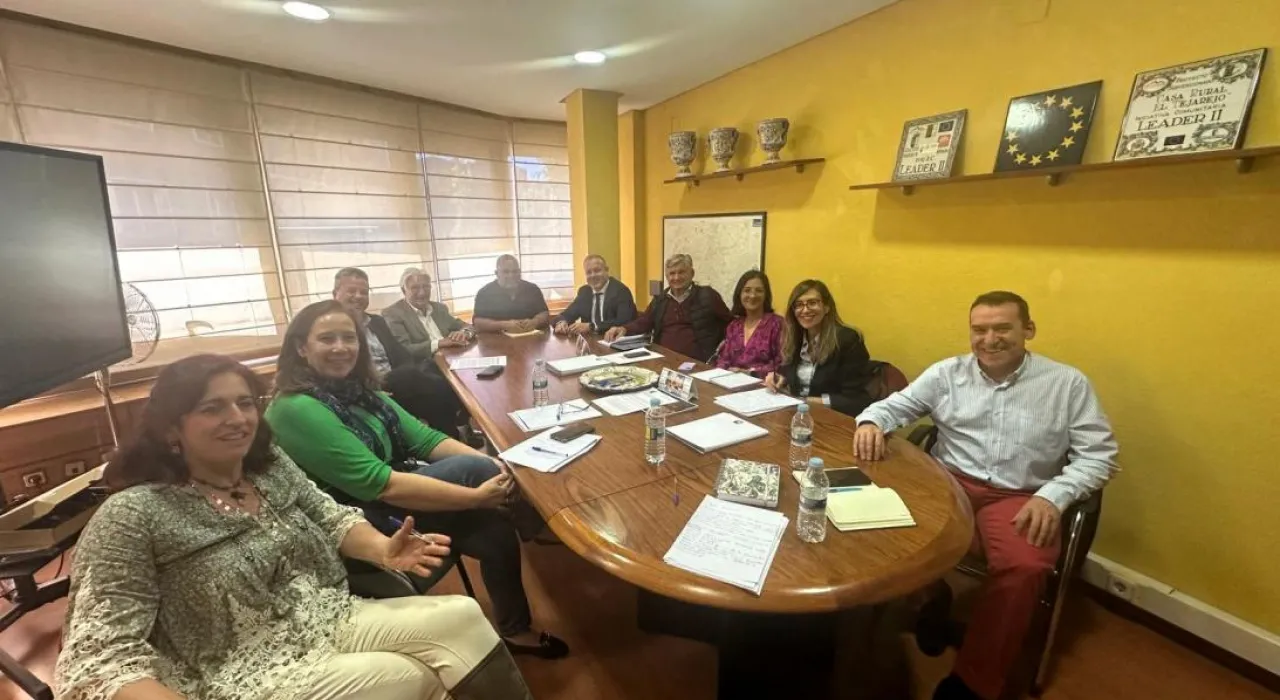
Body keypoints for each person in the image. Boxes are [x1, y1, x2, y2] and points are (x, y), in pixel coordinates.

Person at [55, 354, 534, 700]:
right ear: (168, 429)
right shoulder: (132, 515)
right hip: (234, 669)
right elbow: (100, 659)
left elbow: (330, 515)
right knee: (404, 677)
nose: (237, 418)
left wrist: (383, 550)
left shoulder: (267, 466)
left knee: (462, 615)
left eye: (244, 403)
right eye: (211, 408)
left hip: (323, 615)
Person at [852, 291, 1119, 700]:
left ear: (1028, 330)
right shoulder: (947, 374)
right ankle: (923, 600)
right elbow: (894, 407)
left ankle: (974, 681)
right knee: (877, 524)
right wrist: (872, 421)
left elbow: (1099, 455)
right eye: (980, 330)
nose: (989, 339)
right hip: (947, 483)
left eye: (1002, 328)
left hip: (1021, 496)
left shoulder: (1066, 384)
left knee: (1025, 566)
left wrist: (1054, 496)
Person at [266, 300, 569, 660]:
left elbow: (427, 441)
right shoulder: (295, 407)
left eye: (349, 338)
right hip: (355, 523)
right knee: (480, 473)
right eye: (326, 339)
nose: (341, 347)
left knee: (494, 528)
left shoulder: (361, 393)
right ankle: (543, 522)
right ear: (301, 347)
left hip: (398, 495)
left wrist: (497, 466)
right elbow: (379, 484)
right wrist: (477, 492)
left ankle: (515, 629)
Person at [333, 267, 467, 439]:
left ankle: (452, 440)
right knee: (437, 385)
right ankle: (457, 432)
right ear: (335, 293)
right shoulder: (331, 327)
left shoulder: (376, 322)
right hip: (366, 389)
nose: (358, 296)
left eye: (364, 292)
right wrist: (374, 387)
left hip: (396, 383)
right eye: (351, 291)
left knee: (439, 390)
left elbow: (401, 355)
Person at [764, 279, 874, 417]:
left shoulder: (847, 340)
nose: (805, 310)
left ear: (827, 307)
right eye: (798, 305)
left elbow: (855, 399)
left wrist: (805, 401)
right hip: (798, 415)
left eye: (812, 303)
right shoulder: (794, 338)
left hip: (833, 419)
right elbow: (788, 373)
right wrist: (779, 378)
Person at [603, 253, 731, 362]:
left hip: (698, 362)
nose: (676, 277)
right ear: (667, 277)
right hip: (662, 359)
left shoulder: (708, 296)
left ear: (692, 273)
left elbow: (731, 324)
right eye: (672, 273)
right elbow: (645, 321)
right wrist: (624, 329)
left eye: (681, 272)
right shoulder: (661, 299)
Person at [383, 267, 476, 361]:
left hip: (452, 358)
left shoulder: (439, 308)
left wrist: (464, 333)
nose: (422, 293)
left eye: (426, 286)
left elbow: (468, 326)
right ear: (404, 290)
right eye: (415, 288)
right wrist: (439, 343)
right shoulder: (393, 314)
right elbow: (404, 349)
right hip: (423, 367)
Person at [714, 270, 783, 378]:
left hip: (763, 387)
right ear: (739, 294)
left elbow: (781, 363)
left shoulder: (777, 324)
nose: (752, 295)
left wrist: (750, 372)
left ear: (766, 295)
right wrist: (716, 374)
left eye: (759, 291)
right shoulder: (734, 326)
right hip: (730, 384)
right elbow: (724, 360)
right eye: (747, 290)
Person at [552, 254, 637, 335]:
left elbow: (624, 321)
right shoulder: (584, 292)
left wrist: (592, 326)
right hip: (591, 343)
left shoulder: (621, 291)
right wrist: (561, 322)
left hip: (614, 342)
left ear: (606, 270)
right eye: (589, 272)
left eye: (597, 270)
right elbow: (568, 314)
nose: (593, 275)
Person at [472, 255, 549, 333]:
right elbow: (478, 322)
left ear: (519, 272)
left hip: (532, 338)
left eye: (515, 271)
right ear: (496, 273)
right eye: (506, 272)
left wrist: (535, 321)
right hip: (497, 340)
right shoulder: (485, 292)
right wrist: (503, 325)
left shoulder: (532, 289)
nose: (511, 275)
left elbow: (544, 312)